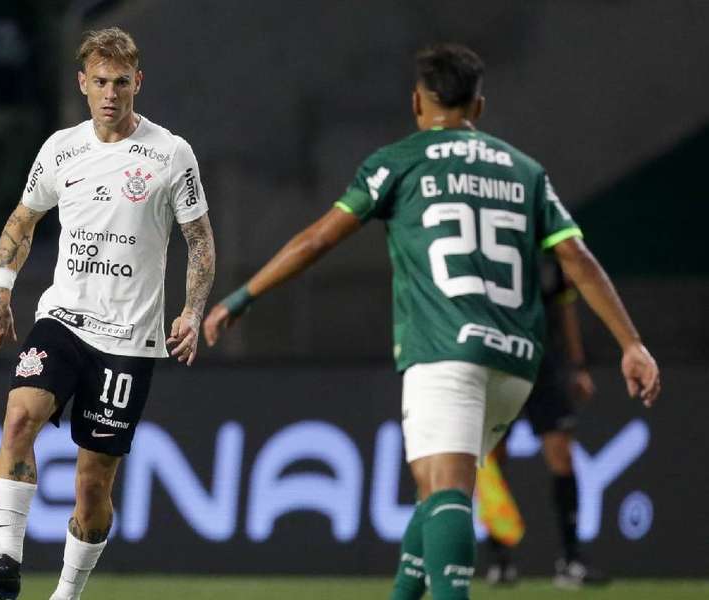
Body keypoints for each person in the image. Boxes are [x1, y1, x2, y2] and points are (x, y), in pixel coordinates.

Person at [203, 43, 659, 600]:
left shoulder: (398, 162)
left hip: (445, 353)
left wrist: (241, 298)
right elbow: (578, 261)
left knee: (445, 492)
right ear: (480, 107)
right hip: (515, 364)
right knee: (435, 495)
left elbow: (317, 239)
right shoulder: (526, 172)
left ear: (417, 103)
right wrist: (631, 344)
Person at [0, 27, 215, 600]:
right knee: (20, 418)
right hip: (64, 319)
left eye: (122, 82)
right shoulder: (60, 148)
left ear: (138, 82)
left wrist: (193, 311)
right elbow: (23, 221)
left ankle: (67, 594)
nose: (110, 94)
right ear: (82, 83)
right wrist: (1, 291)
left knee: (92, 484)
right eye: (99, 82)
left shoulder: (170, 153)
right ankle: (6, 564)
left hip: (129, 338)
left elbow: (199, 240)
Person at [482, 256, 607, 588]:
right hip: (497, 360)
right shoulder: (489, 234)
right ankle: (500, 558)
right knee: (492, 459)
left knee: (562, 455)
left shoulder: (551, 248)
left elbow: (566, 307)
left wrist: (578, 365)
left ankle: (570, 559)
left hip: (542, 362)